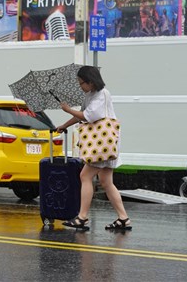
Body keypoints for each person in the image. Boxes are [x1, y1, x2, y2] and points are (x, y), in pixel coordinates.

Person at [56, 65, 132, 231]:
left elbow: (88, 116)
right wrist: (64, 124)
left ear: (90, 82)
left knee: (85, 176)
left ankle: (82, 217)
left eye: (81, 83)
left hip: (101, 144)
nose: (80, 86)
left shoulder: (102, 94)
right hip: (105, 144)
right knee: (106, 182)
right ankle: (123, 218)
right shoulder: (90, 95)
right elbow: (81, 115)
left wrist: (68, 109)